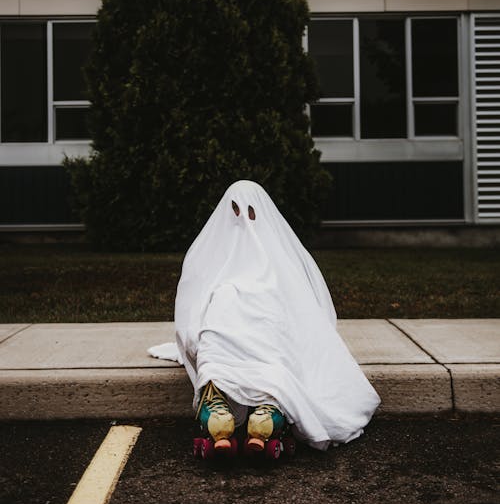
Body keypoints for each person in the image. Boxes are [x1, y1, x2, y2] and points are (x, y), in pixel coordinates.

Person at [148, 180, 380, 452]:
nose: (243, 218)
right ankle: (217, 404)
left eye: (250, 211)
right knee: (217, 325)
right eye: (235, 210)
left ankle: (268, 407)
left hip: (268, 336)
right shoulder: (208, 254)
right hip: (223, 338)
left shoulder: (282, 262)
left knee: (270, 330)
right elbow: (192, 305)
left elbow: (301, 315)